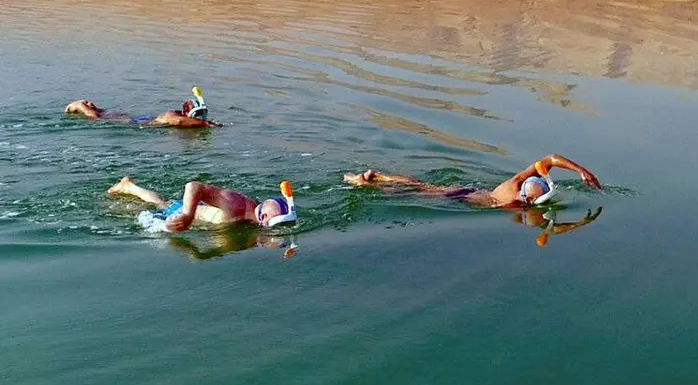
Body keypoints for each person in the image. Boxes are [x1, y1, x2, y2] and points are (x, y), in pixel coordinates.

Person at [343, 154, 602, 208]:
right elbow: (550, 157)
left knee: (420, 184)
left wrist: (582, 171)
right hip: (460, 197)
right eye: (533, 199)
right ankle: (368, 183)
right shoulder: (514, 191)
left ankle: (378, 176)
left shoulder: (521, 188)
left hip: (470, 191)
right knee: (415, 192)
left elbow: (549, 162)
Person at [106, 176, 297, 232]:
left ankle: (130, 186)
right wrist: (188, 215)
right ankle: (130, 187)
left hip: (197, 217)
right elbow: (193, 186)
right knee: (159, 205)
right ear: (263, 218)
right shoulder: (236, 205)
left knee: (161, 202)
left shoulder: (249, 217)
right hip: (180, 212)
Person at [65, 99, 219, 128]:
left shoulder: (176, 115)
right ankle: (81, 106)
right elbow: (177, 122)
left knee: (104, 114)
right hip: (136, 123)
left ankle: (90, 106)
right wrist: (206, 124)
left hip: (139, 120)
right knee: (97, 119)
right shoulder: (173, 116)